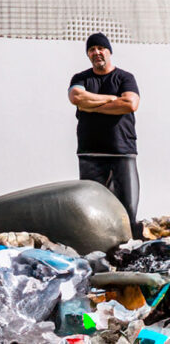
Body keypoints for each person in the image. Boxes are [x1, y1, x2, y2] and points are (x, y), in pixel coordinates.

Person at [68, 32, 141, 234]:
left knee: (128, 212)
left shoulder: (125, 77)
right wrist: (111, 99)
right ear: (88, 55)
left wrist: (91, 107)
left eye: (101, 48)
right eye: (92, 49)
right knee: (92, 213)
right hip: (90, 154)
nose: (97, 52)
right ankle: (100, 257)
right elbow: (76, 98)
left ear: (109, 51)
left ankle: (129, 254)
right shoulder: (80, 78)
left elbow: (130, 103)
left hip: (122, 153)